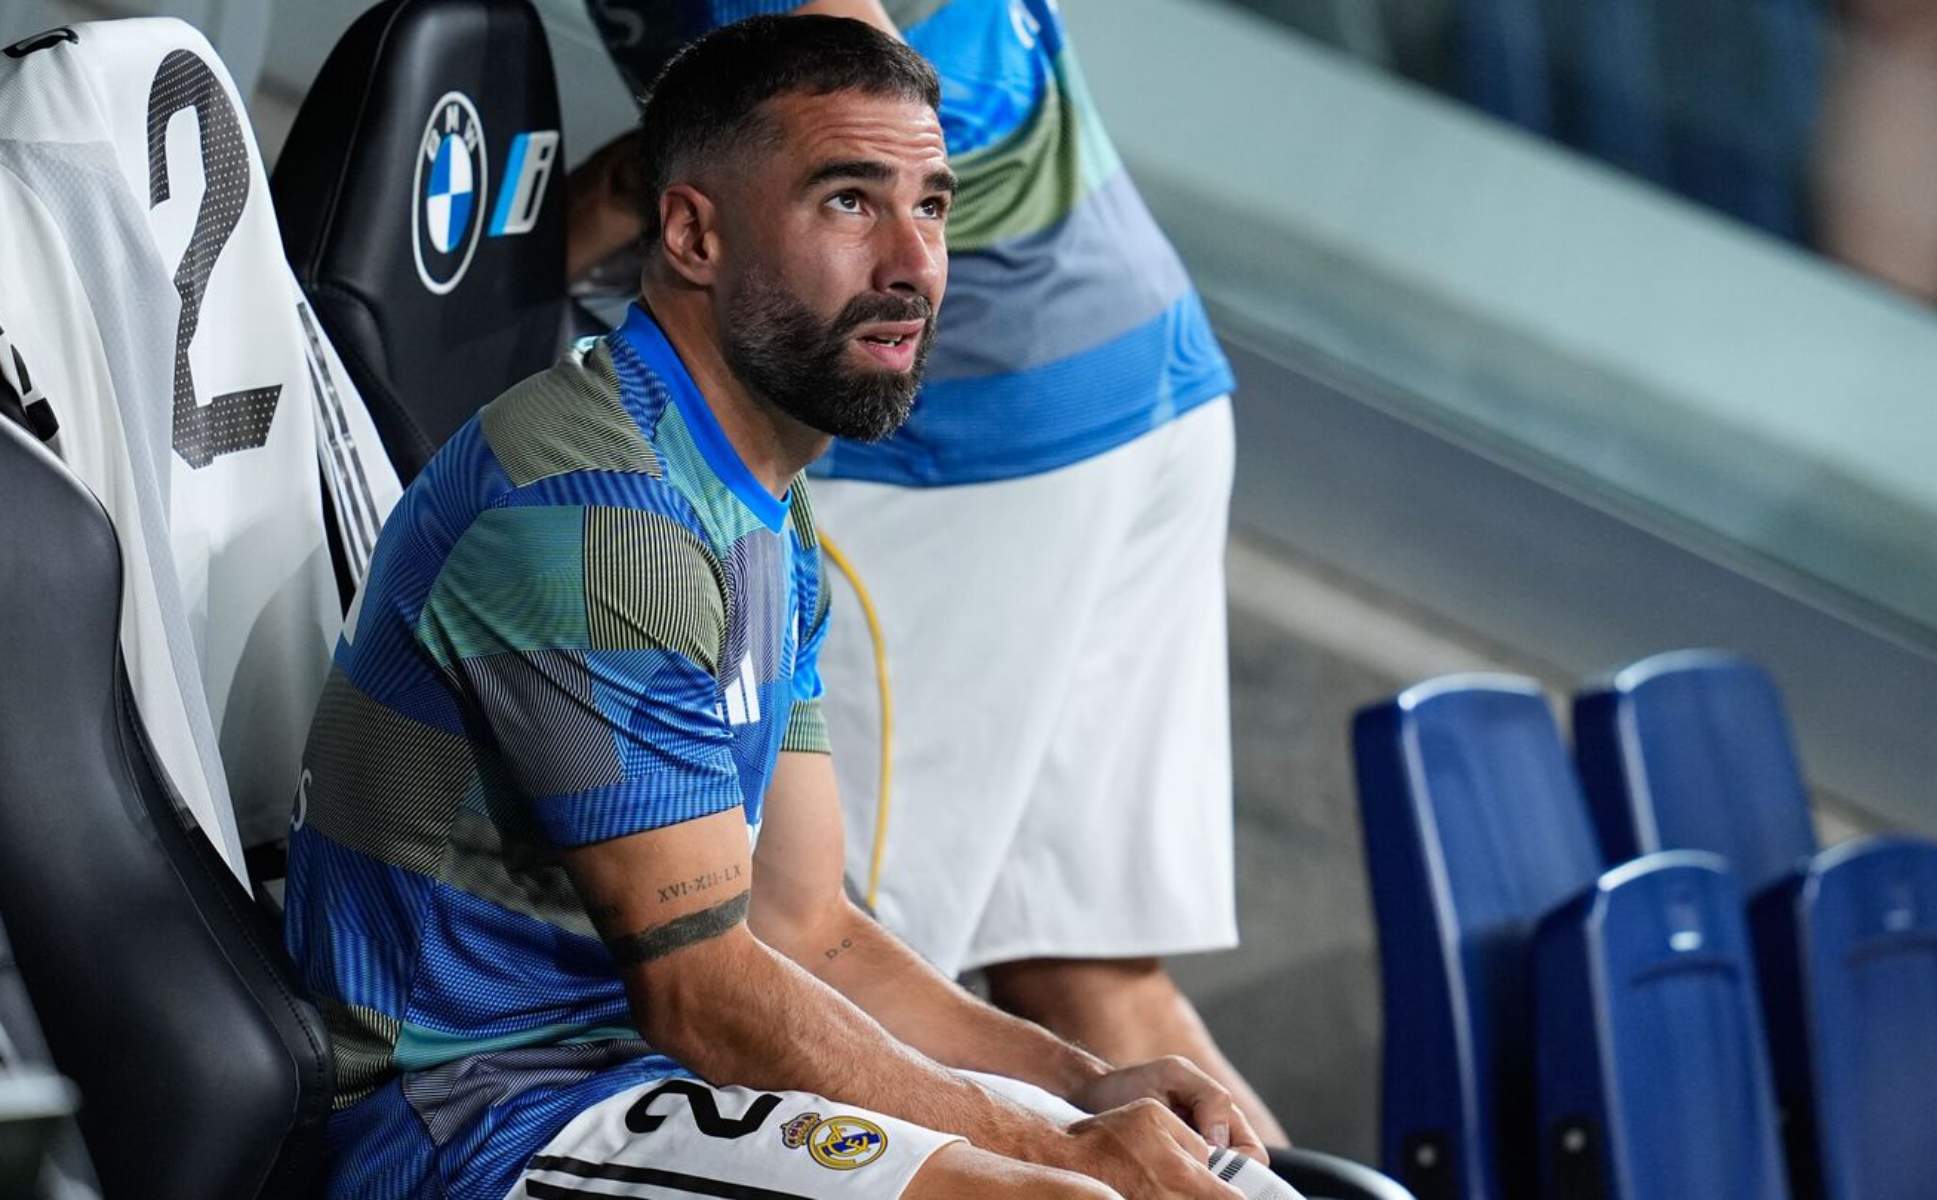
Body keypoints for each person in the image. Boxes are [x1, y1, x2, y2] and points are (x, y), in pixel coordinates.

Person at [285, 17, 1300, 1200]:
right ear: (692, 232)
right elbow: (704, 990)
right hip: (473, 1119)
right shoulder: (601, 519)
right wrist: (1054, 1148)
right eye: (848, 204)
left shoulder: (760, 499)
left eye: (931, 205)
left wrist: (1079, 1088)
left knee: (1201, 1173)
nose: (913, 266)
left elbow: (807, 926)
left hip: (631, 1076)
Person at [570, 0, 1288, 1146]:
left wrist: (575, 222)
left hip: (976, 451)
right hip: (1137, 368)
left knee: (830, 980)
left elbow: (849, 115)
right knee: (1089, 981)